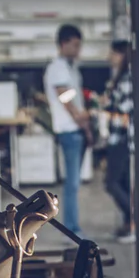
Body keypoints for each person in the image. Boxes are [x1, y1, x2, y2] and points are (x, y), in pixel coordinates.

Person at [44, 24, 89, 238]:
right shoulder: (58, 68)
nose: (78, 49)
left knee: (74, 182)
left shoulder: (70, 67)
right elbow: (65, 97)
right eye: (75, 45)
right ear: (64, 44)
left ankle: (72, 225)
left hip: (75, 129)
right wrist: (80, 118)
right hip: (69, 130)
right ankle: (71, 228)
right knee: (72, 183)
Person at [102, 40, 134, 243]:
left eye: (114, 53)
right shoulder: (121, 78)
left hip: (122, 139)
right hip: (118, 138)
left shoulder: (127, 80)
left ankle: (135, 222)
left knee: (112, 183)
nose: (110, 56)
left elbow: (125, 116)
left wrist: (102, 114)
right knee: (121, 182)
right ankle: (128, 224)